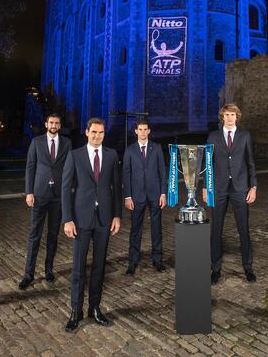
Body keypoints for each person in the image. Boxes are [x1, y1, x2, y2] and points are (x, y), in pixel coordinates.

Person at [61, 118, 122, 332]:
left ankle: (94, 308)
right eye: (94, 132)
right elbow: (65, 188)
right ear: (87, 132)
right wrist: (67, 219)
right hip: (80, 219)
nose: (97, 136)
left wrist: (117, 216)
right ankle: (75, 312)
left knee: (99, 267)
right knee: (78, 268)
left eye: (101, 132)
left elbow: (116, 187)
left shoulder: (112, 155)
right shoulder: (75, 155)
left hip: (104, 219)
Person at [203, 103, 258, 284]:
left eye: (232, 115)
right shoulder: (213, 136)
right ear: (222, 117)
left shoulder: (245, 136)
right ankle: (215, 268)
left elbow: (250, 162)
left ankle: (248, 267)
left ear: (237, 117)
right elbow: (207, 164)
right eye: (226, 115)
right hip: (218, 188)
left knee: (243, 228)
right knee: (216, 229)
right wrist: (205, 187)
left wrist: (254, 187)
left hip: (240, 187)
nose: (229, 118)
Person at [19, 113, 72, 290]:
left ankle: (49, 269)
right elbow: (30, 167)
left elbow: (68, 168)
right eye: (51, 122)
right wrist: (29, 192)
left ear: (60, 125)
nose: (54, 125)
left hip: (58, 196)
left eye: (57, 123)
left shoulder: (66, 143)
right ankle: (28, 273)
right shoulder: (37, 142)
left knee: (53, 235)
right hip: (39, 194)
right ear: (46, 124)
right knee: (34, 235)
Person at [122, 119, 167, 274]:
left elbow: (162, 171)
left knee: (157, 228)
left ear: (149, 131)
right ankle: (132, 262)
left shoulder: (157, 148)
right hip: (137, 196)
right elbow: (126, 174)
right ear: (136, 131)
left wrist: (163, 193)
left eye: (145, 129)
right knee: (135, 229)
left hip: (155, 195)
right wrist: (127, 196)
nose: (142, 132)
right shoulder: (130, 150)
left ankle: (157, 260)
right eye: (139, 129)